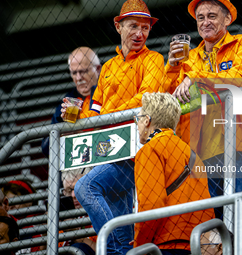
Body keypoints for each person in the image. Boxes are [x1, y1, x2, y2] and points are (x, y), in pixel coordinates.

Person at [74, 0, 164, 254]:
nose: (140, 33)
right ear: (118, 26)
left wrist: (108, 116)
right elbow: (95, 108)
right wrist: (75, 116)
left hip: (136, 152)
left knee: (86, 187)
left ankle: (113, 247)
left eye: (145, 27)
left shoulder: (155, 59)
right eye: (133, 25)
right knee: (124, 234)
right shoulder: (109, 68)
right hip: (109, 150)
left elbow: (147, 98)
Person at [163, 0, 242, 218]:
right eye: (201, 18)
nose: (205, 22)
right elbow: (167, 99)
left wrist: (197, 80)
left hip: (238, 144)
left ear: (227, 19)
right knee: (213, 219)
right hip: (200, 152)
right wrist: (172, 67)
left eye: (212, 16)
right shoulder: (188, 58)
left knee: (241, 211)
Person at [132, 92, 215, 254]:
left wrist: (139, 245)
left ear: (147, 120)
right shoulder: (190, 153)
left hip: (167, 242)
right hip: (200, 242)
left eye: (139, 119)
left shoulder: (150, 150)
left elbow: (151, 205)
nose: (137, 124)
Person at [41, 46, 101, 157]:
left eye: (83, 71)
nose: (78, 78)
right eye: (74, 73)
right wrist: (65, 127)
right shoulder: (70, 101)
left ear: (97, 69)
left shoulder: (109, 93)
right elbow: (46, 148)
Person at [59, 167, 96, 255]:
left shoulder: (103, 211)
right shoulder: (62, 219)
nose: (73, 195)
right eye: (69, 190)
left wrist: (75, 235)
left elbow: (108, 251)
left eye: (79, 188)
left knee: (79, 248)